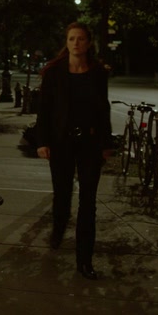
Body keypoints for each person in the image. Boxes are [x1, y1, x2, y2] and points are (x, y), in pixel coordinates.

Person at [34, 22, 114, 280]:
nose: (76, 43)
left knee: (88, 202)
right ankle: (58, 229)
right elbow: (44, 110)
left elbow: (103, 109)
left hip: (90, 143)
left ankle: (84, 260)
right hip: (61, 143)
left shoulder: (98, 73)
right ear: (66, 42)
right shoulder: (54, 72)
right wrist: (42, 141)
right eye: (71, 39)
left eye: (80, 39)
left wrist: (106, 143)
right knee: (63, 195)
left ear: (88, 43)